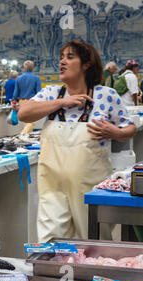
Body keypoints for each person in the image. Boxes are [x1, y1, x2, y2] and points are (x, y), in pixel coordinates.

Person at [18, 40, 136, 242]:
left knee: (94, 243)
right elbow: (24, 113)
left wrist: (115, 132)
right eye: (61, 58)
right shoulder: (51, 93)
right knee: (52, 245)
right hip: (53, 191)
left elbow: (130, 128)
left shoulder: (106, 95)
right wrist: (63, 102)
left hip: (91, 191)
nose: (62, 62)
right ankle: (54, 273)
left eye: (70, 57)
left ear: (86, 64)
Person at [12, 60, 42, 133]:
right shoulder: (36, 78)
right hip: (32, 101)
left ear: (24, 68)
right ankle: (23, 135)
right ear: (32, 68)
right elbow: (39, 92)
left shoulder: (19, 78)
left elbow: (16, 92)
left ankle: (26, 135)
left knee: (26, 121)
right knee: (31, 121)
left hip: (22, 102)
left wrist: (14, 101)